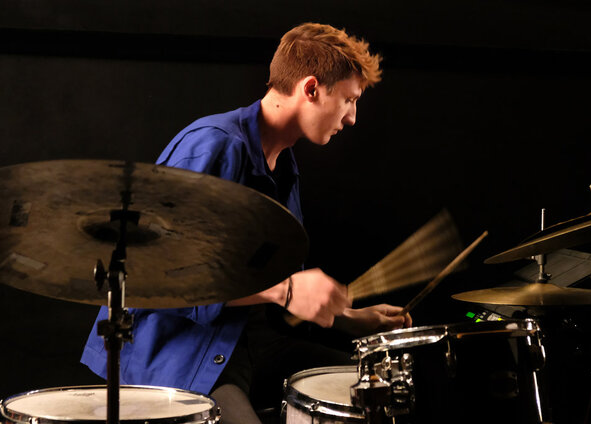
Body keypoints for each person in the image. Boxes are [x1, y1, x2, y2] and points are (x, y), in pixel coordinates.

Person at [81, 22, 412, 423]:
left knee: (380, 391)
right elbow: (162, 271)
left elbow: (276, 290)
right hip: (179, 354)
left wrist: (348, 318)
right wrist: (287, 291)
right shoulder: (212, 146)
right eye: (349, 100)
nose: (352, 117)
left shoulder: (284, 166)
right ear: (311, 88)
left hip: (251, 344)